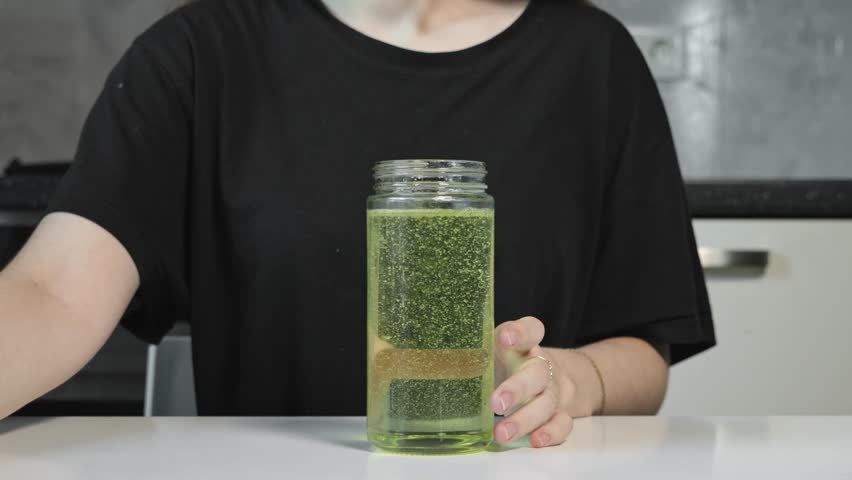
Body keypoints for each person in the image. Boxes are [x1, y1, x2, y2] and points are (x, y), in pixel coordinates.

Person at [0, 0, 715, 448]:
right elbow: (55, 292)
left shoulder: (593, 60)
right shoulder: (199, 52)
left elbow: (643, 355)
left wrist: (576, 378)